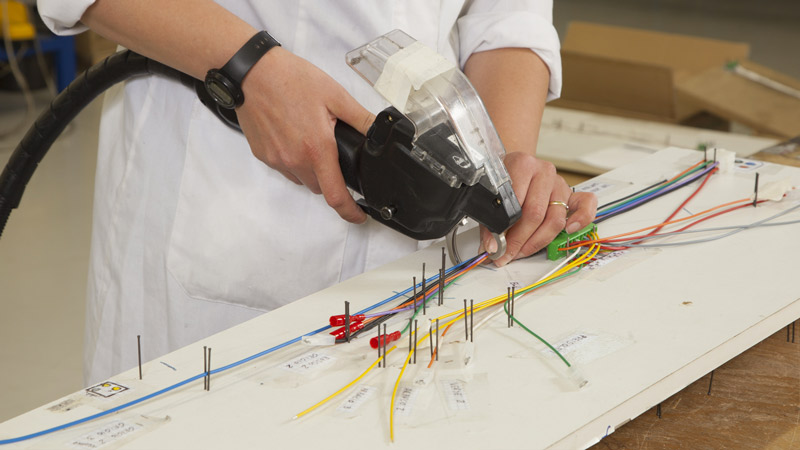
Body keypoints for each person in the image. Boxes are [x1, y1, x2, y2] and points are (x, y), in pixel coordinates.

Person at [38, 0, 597, 384]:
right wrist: (246, 66)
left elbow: (507, 18)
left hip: (420, 232)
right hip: (219, 194)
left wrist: (500, 159)